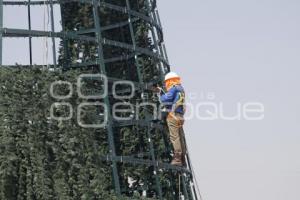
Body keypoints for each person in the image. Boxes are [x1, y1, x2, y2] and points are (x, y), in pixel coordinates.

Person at [157, 72, 186, 166]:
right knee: (180, 137)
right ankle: (182, 158)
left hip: (173, 116)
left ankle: (177, 158)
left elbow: (165, 99)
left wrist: (160, 94)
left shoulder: (174, 89)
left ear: (170, 81)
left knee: (174, 137)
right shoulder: (181, 89)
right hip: (180, 116)